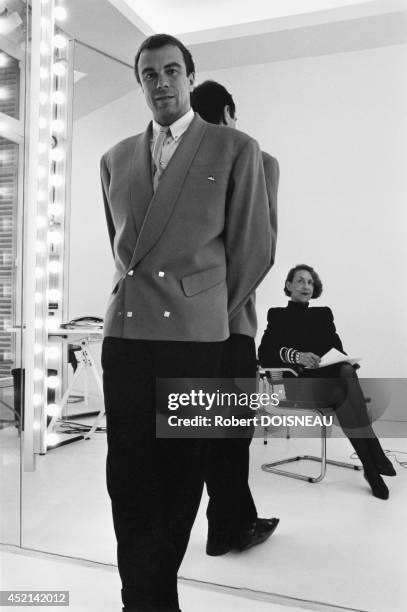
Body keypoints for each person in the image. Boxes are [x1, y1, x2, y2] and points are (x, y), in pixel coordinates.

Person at [100, 35, 273, 612]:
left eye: (172, 70)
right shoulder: (116, 158)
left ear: (191, 77)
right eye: (149, 73)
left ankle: (154, 598)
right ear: (140, 82)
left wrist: (206, 313)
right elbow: (122, 248)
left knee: (179, 478)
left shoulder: (234, 148)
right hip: (125, 339)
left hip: (194, 341)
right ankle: (140, 598)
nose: (161, 82)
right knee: (127, 478)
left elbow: (253, 250)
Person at [191, 80, 280, 556]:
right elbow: (259, 250)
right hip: (228, 325)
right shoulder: (258, 161)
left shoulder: (179, 166)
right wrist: (218, 313)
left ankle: (228, 526)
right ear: (229, 110)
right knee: (228, 432)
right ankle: (227, 529)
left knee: (207, 430)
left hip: (189, 327)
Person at [258, 264, 396, 500]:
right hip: (295, 386)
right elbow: (265, 353)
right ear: (289, 285)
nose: (306, 286)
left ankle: (372, 470)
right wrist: (297, 356)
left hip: (329, 384)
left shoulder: (323, 315)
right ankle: (374, 455)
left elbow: (337, 350)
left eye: (310, 283)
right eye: (300, 281)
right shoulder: (277, 315)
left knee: (344, 370)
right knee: (345, 386)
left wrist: (338, 360)